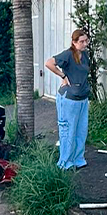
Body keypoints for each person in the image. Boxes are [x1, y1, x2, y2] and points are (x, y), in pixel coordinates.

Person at [45, 29, 91, 170]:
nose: (84, 44)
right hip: (69, 99)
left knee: (81, 130)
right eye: (81, 41)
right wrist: (63, 76)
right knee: (68, 130)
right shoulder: (68, 54)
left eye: (86, 41)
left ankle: (78, 159)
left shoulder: (85, 55)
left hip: (83, 98)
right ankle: (65, 162)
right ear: (74, 42)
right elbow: (49, 63)